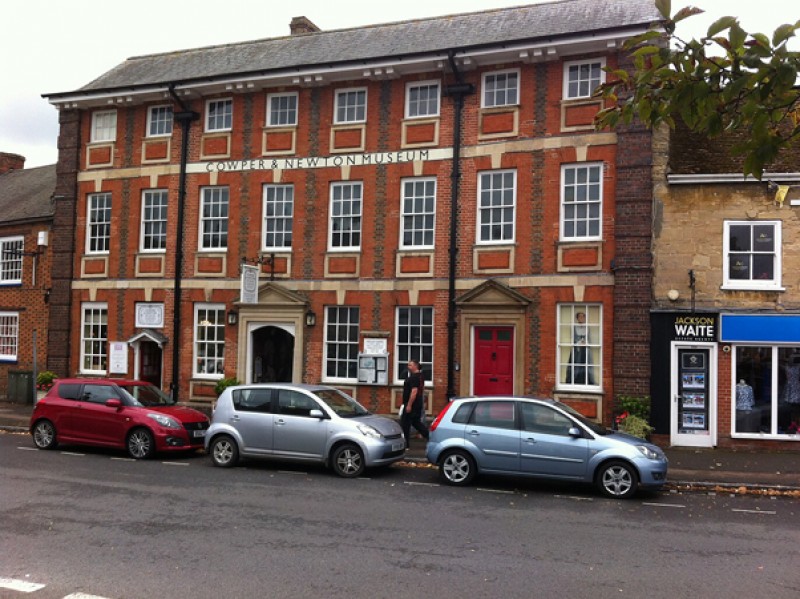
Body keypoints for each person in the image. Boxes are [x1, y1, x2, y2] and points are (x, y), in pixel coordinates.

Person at [401, 360, 429, 449]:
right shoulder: (421, 376)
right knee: (416, 422)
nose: (408, 366)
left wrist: (409, 405)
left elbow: (414, 392)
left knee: (405, 424)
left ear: (415, 366)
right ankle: (430, 436)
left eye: (410, 365)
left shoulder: (414, 378)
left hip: (412, 404)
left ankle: (406, 445)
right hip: (418, 403)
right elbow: (422, 388)